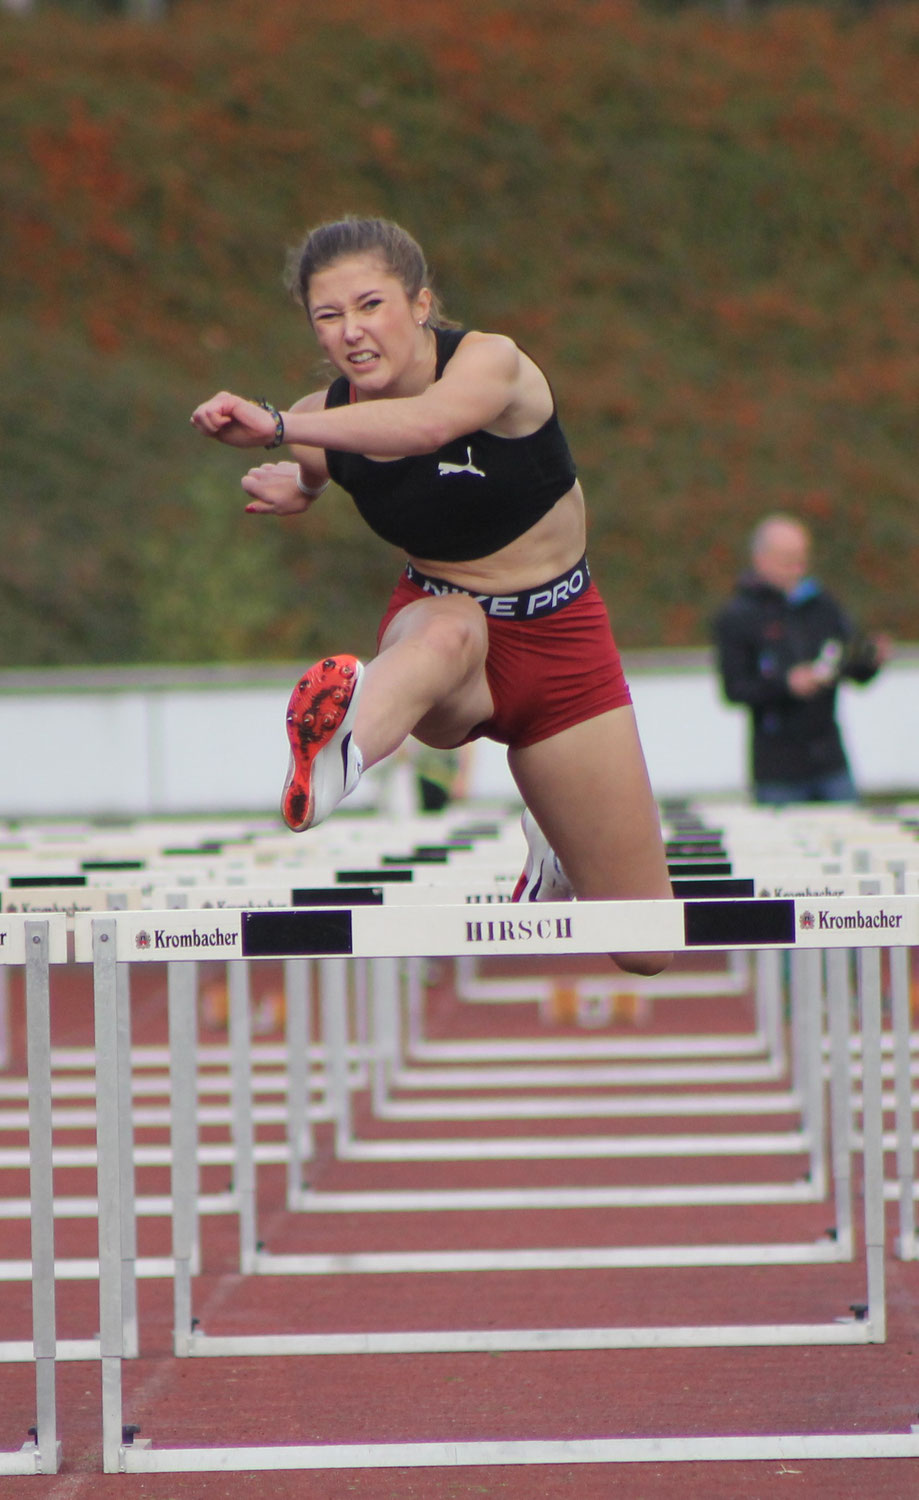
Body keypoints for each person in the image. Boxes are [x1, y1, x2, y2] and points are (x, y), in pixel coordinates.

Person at [191, 215, 672, 975]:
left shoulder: (492, 365)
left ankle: (557, 851)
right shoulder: (318, 422)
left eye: (369, 305)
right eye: (328, 316)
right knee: (445, 630)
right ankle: (336, 752)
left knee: (646, 950)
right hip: (448, 641)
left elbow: (428, 426)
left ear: (420, 304)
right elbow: (319, 463)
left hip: (563, 639)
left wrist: (282, 429)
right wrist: (300, 485)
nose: (350, 331)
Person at [712, 513, 891, 806]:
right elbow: (734, 689)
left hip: (830, 763)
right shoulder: (738, 616)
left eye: (802, 557)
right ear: (761, 559)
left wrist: (871, 660)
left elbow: (846, 666)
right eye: (787, 558)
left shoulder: (822, 605)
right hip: (777, 773)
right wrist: (787, 685)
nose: (798, 567)